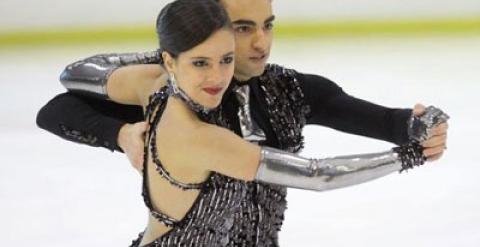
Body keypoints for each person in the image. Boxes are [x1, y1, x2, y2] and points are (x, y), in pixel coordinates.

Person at [36, 0, 449, 245]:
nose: (261, 43)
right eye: (243, 27)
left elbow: (384, 121)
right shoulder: (179, 93)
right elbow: (57, 107)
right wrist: (122, 133)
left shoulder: (289, 89)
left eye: (268, 25)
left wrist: (422, 126)